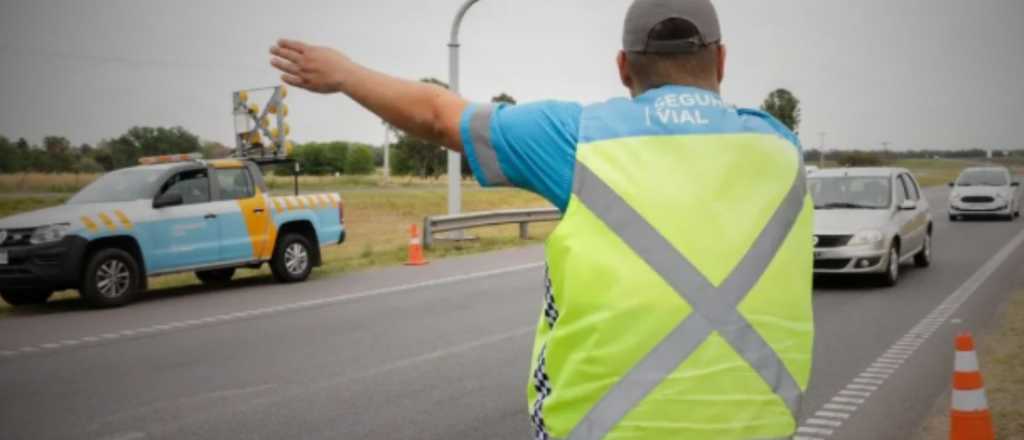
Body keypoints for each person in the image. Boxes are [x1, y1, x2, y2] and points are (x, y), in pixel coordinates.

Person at [269, 0, 814, 438]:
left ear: (623, 67)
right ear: (721, 61)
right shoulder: (781, 146)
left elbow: (439, 114)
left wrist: (343, 74)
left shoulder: (578, 138)